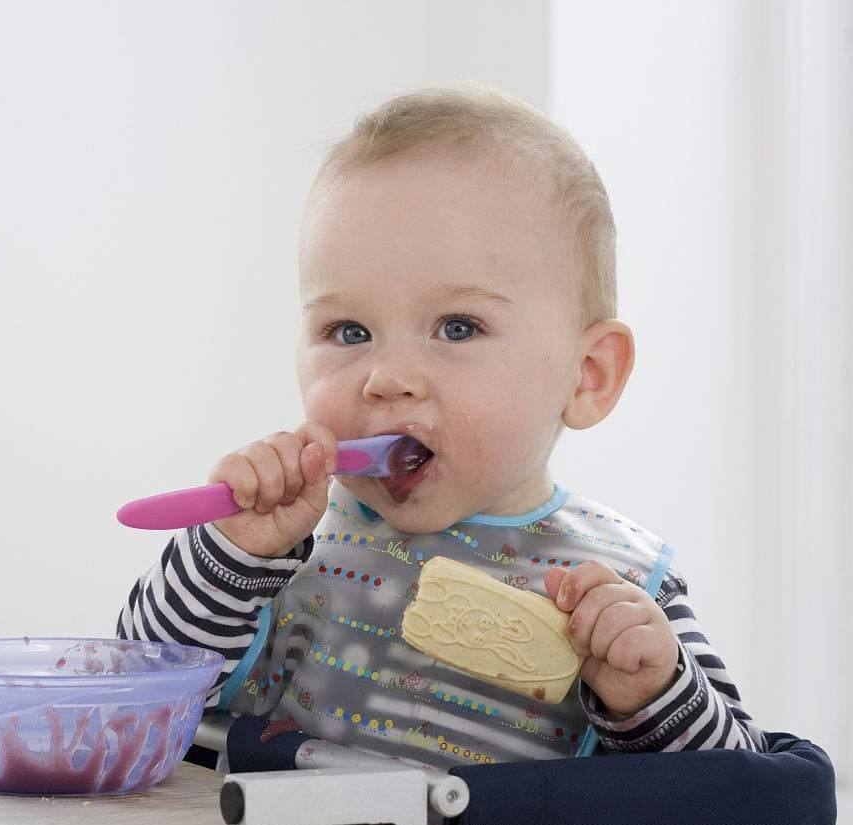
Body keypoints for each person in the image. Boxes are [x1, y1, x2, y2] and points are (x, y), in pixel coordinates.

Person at [117, 85, 765, 768]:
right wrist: (227, 555)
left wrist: (651, 692)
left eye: (457, 327)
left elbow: (739, 790)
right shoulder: (282, 552)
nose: (386, 376)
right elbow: (135, 696)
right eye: (349, 330)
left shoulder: (627, 585)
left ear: (587, 375)